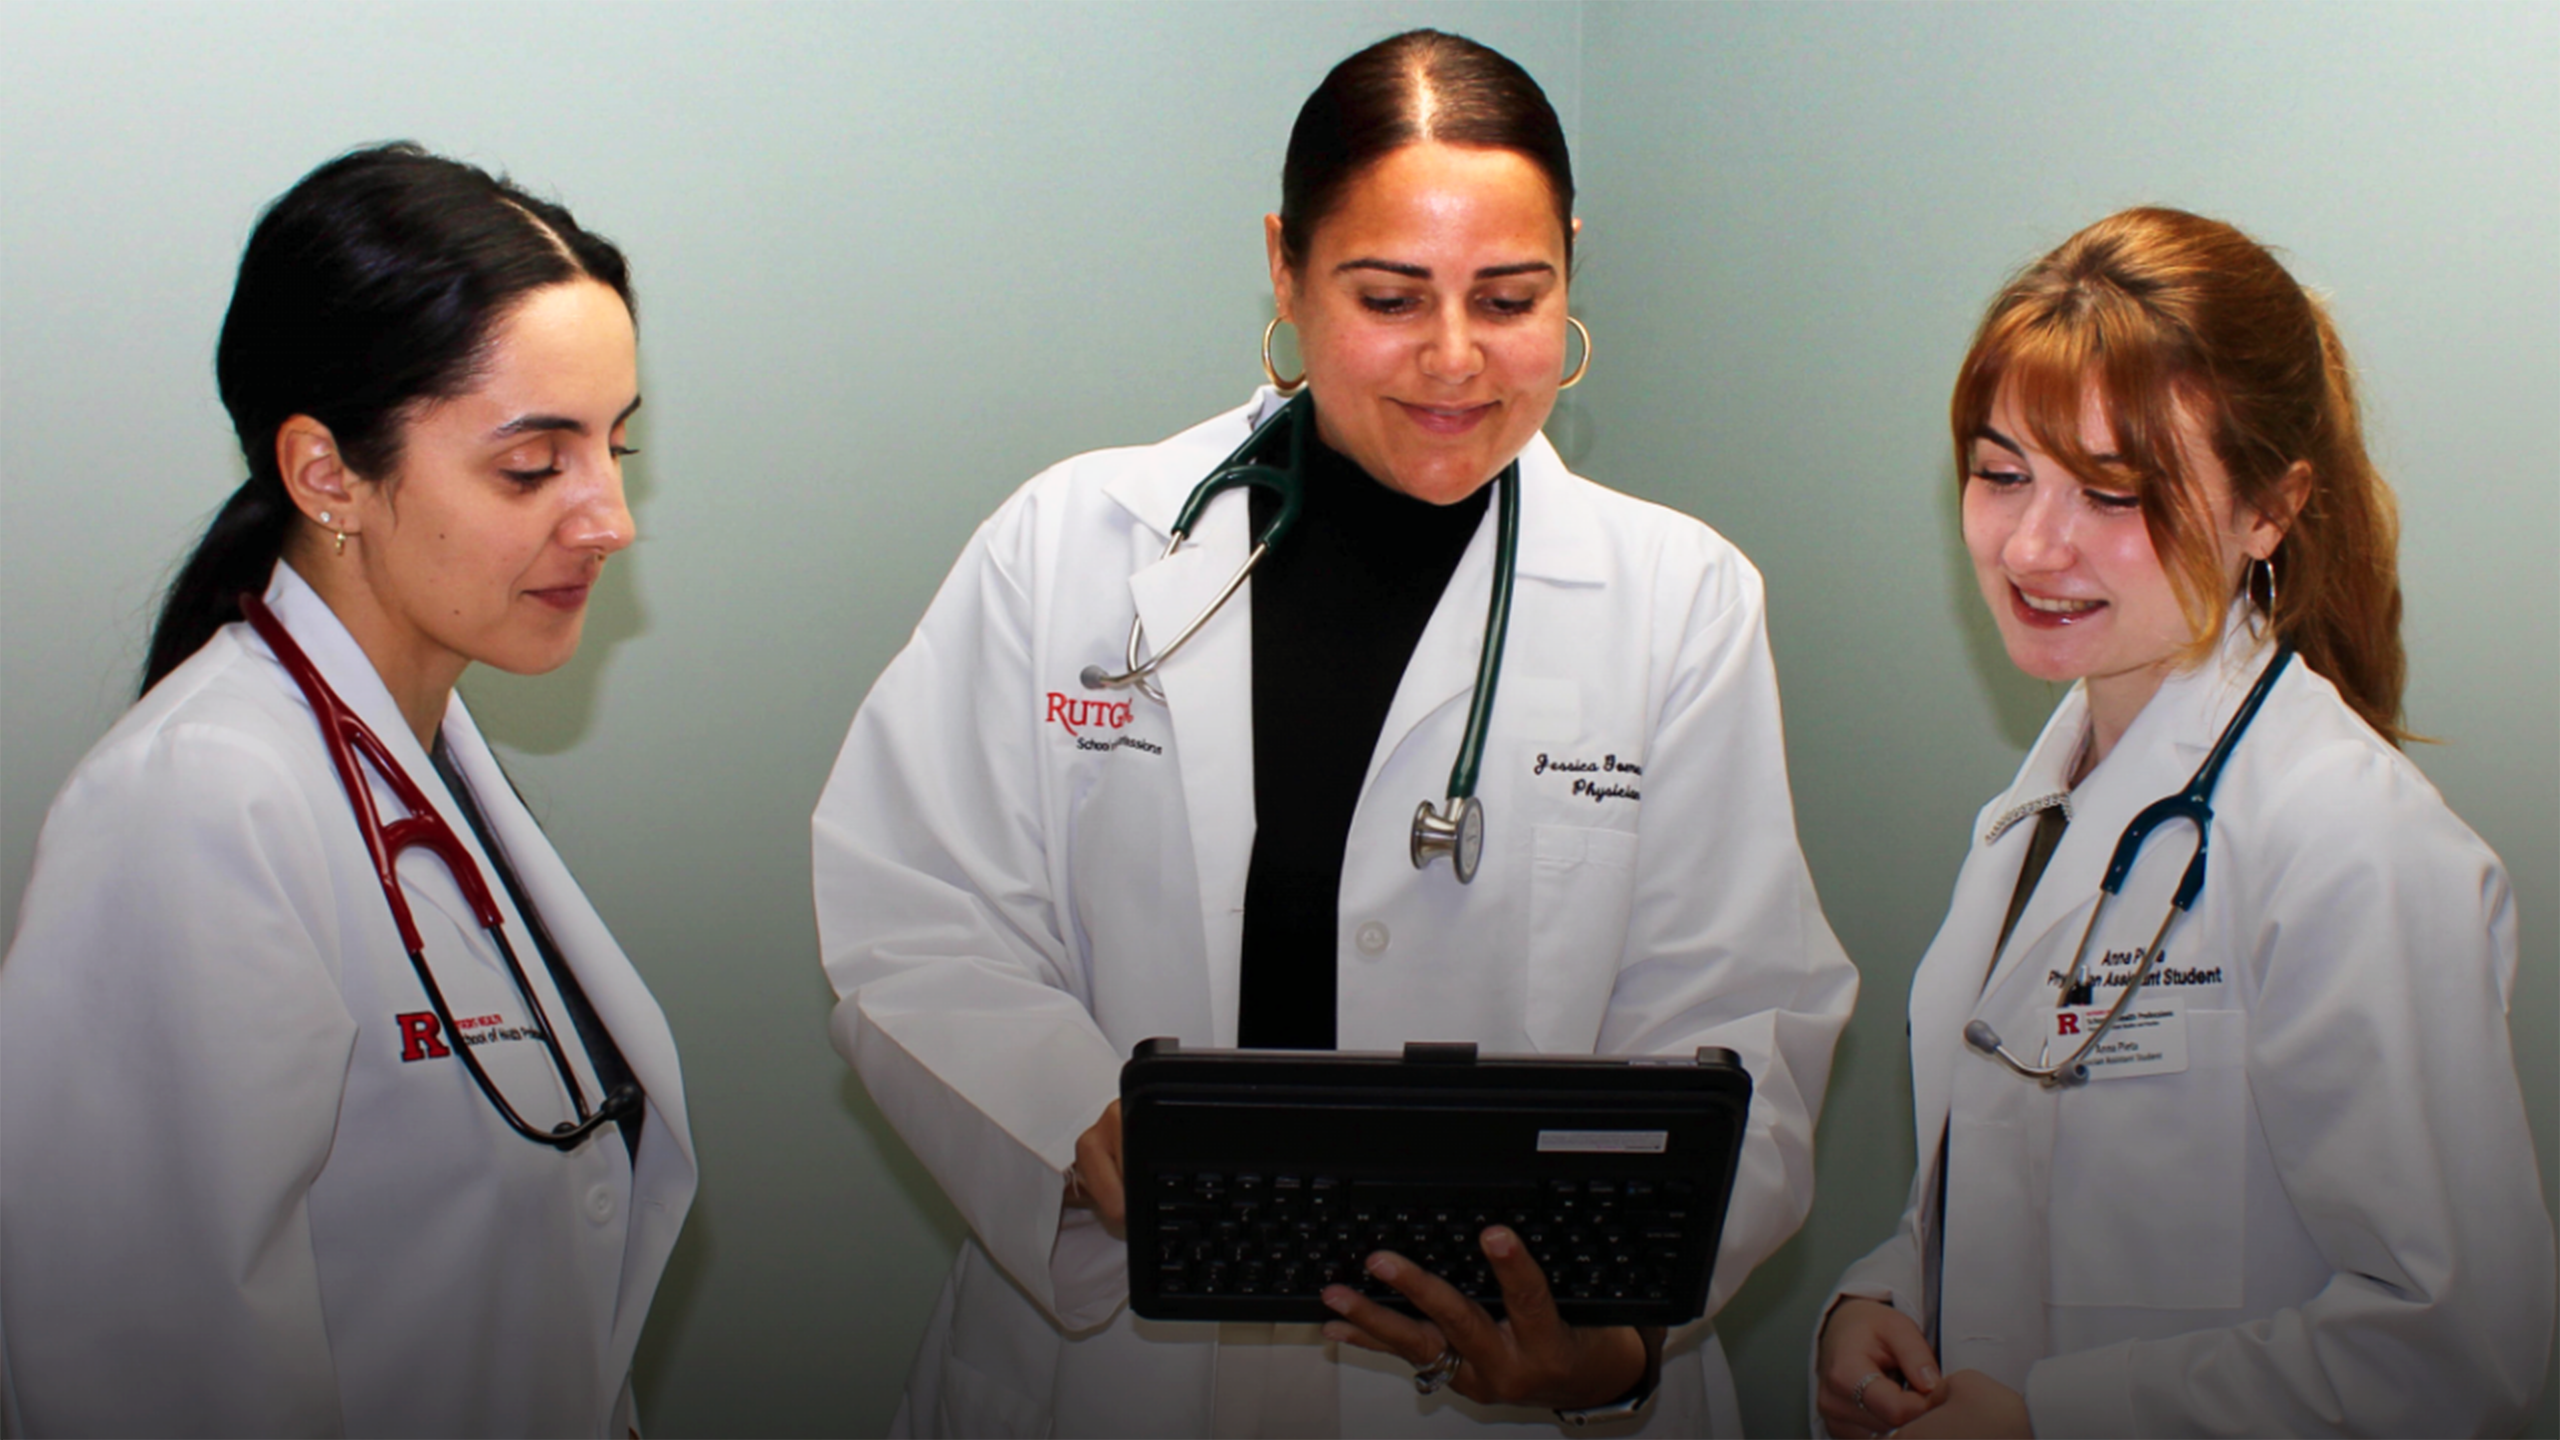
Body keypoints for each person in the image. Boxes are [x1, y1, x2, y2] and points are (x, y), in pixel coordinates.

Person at [816, 28, 1855, 1440]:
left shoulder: (1677, 602)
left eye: (1511, 297)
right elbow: (911, 908)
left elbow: (1737, 1021)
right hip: (1122, 1353)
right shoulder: (1073, 545)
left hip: (1499, 1372)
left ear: (1570, 272)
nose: (1455, 359)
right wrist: (1079, 1121)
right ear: (1286, 266)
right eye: (1388, 296)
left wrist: (1610, 1343)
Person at [1812, 207, 2553, 1440]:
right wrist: (1879, 1297)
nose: (2034, 546)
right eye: (2001, 474)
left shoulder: (2352, 844)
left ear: (2269, 510)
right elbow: (2019, 1178)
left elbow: (2458, 1342)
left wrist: (2054, 1420)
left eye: (2112, 492)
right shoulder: (2037, 813)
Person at [0, 144, 695, 1439]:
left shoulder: (424, 765)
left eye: (617, 444)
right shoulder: (196, 814)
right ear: (327, 475)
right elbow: (145, 1379)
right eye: (534, 466)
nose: (611, 518)